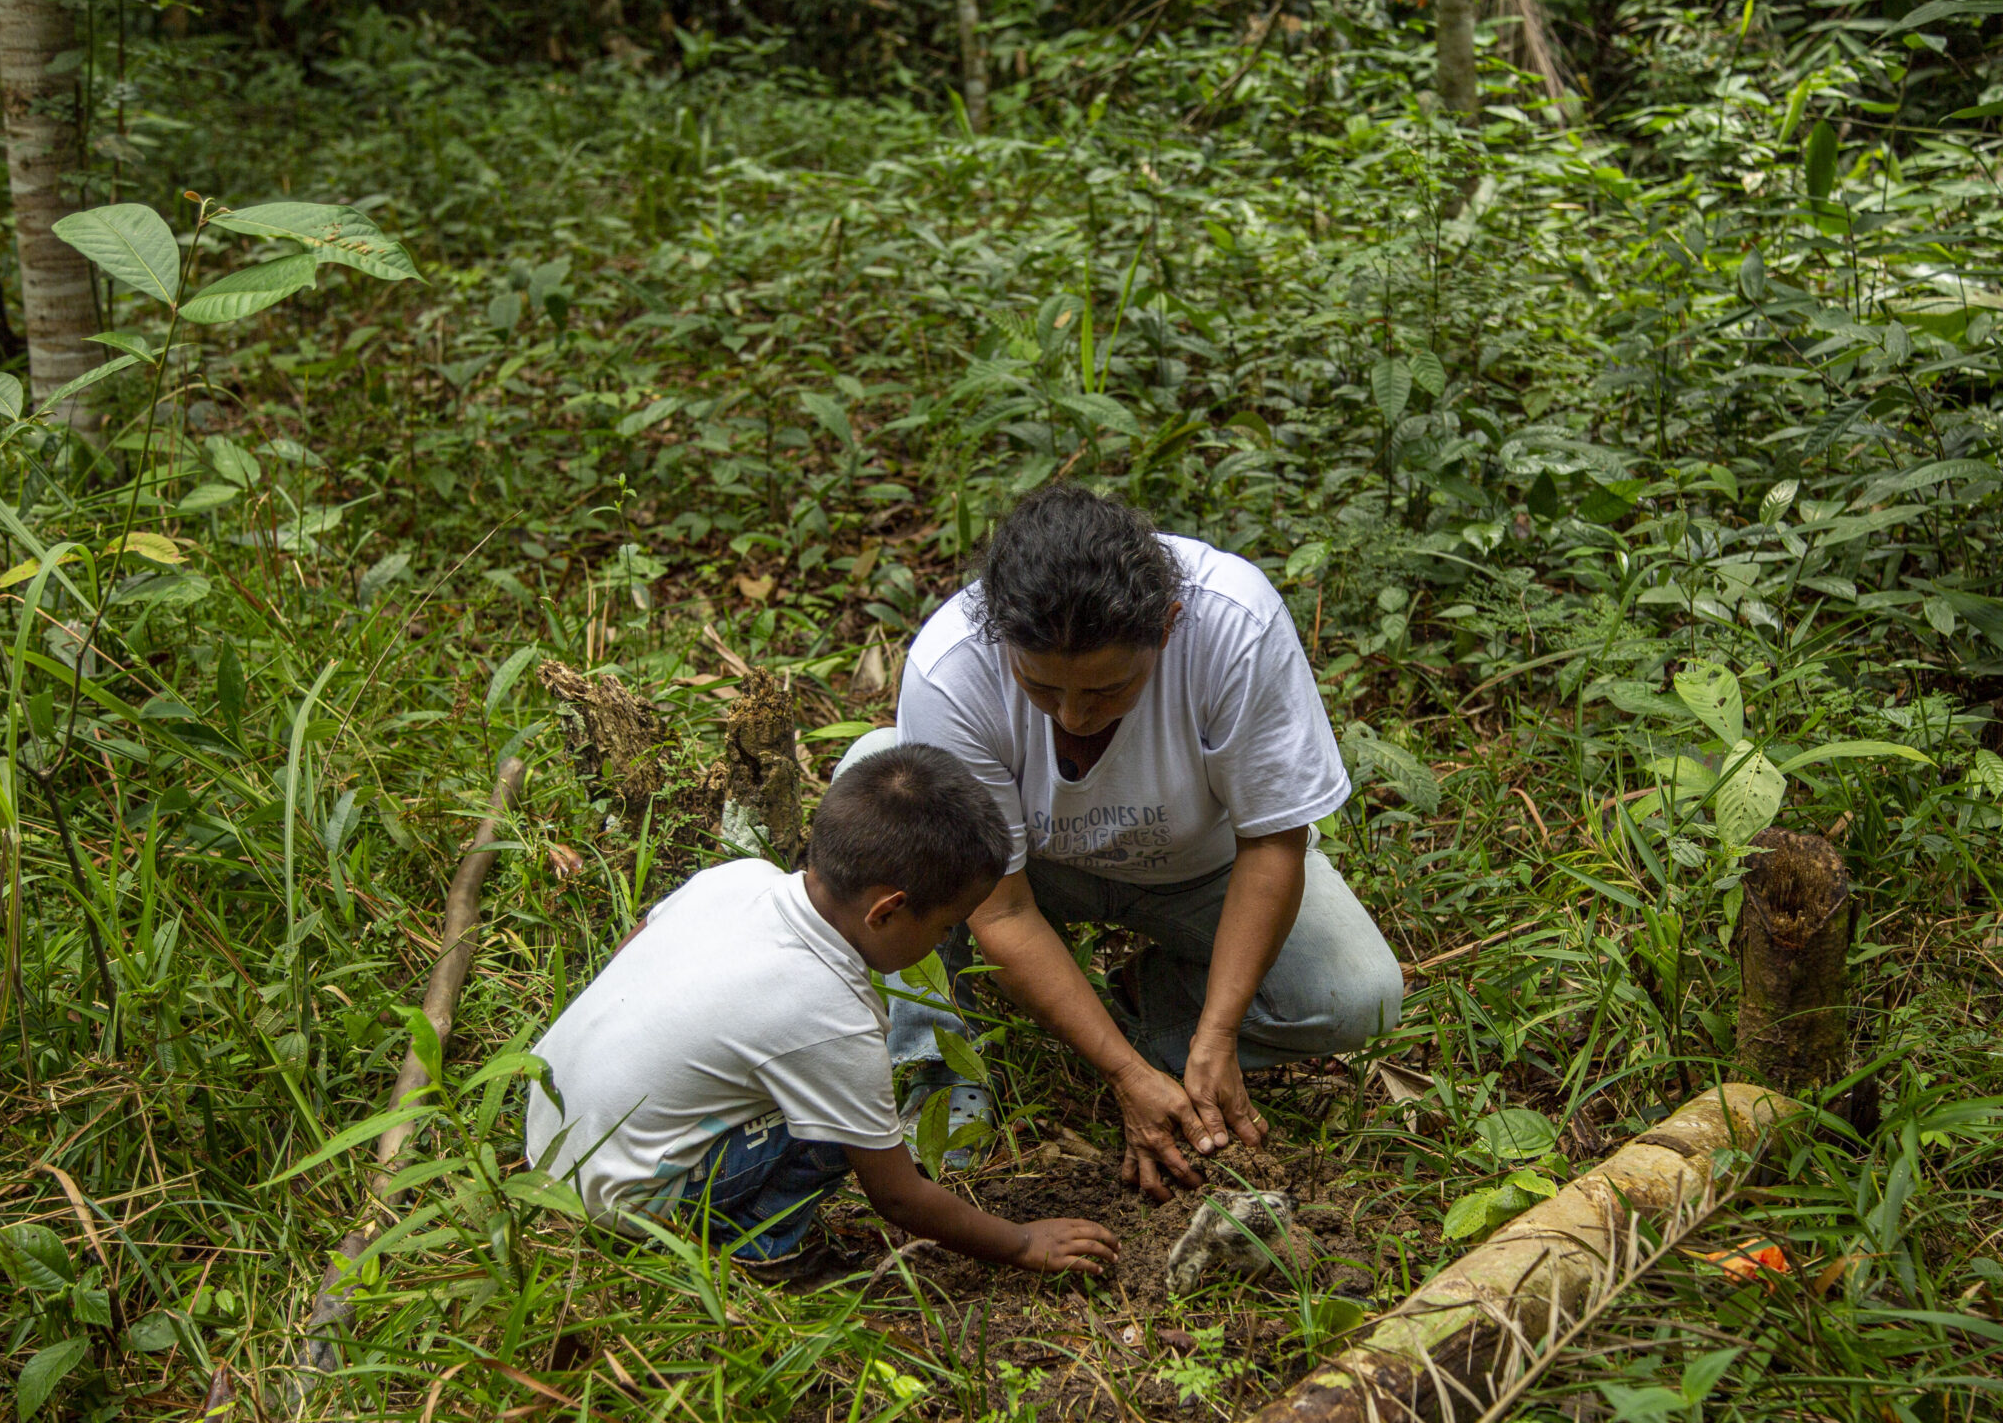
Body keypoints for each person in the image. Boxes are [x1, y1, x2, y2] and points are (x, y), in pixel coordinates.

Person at [840, 484, 1406, 1199]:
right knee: (883, 777)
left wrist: (1219, 1032)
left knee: (1361, 995)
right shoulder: (953, 666)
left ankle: (1150, 1012)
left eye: (1107, 690)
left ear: (1167, 627)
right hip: (1026, 872)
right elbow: (1003, 911)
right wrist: (1124, 1076)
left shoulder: (1233, 624)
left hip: (1201, 870)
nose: (1072, 716)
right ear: (1003, 638)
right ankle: (939, 1058)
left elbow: (1272, 844)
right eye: (1042, 688)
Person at [525, 742, 1119, 1280]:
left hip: (549, 1137)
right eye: (943, 927)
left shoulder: (739, 878)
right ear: (885, 912)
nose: (943, 942)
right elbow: (898, 1197)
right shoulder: (832, 1015)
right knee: (843, 1124)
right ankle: (763, 1250)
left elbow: (635, 948)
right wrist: (1020, 1243)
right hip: (614, 1203)